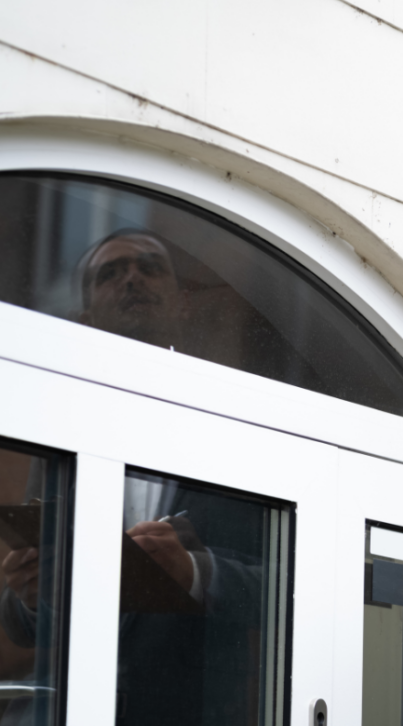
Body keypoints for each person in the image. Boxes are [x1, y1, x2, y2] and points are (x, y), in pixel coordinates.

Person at [0, 229, 265, 726]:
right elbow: (20, 626)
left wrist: (196, 574)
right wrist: (31, 598)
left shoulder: (233, 430)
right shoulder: (60, 437)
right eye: (111, 273)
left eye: (149, 267)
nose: (132, 278)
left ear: (184, 303)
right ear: (85, 318)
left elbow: (290, 588)